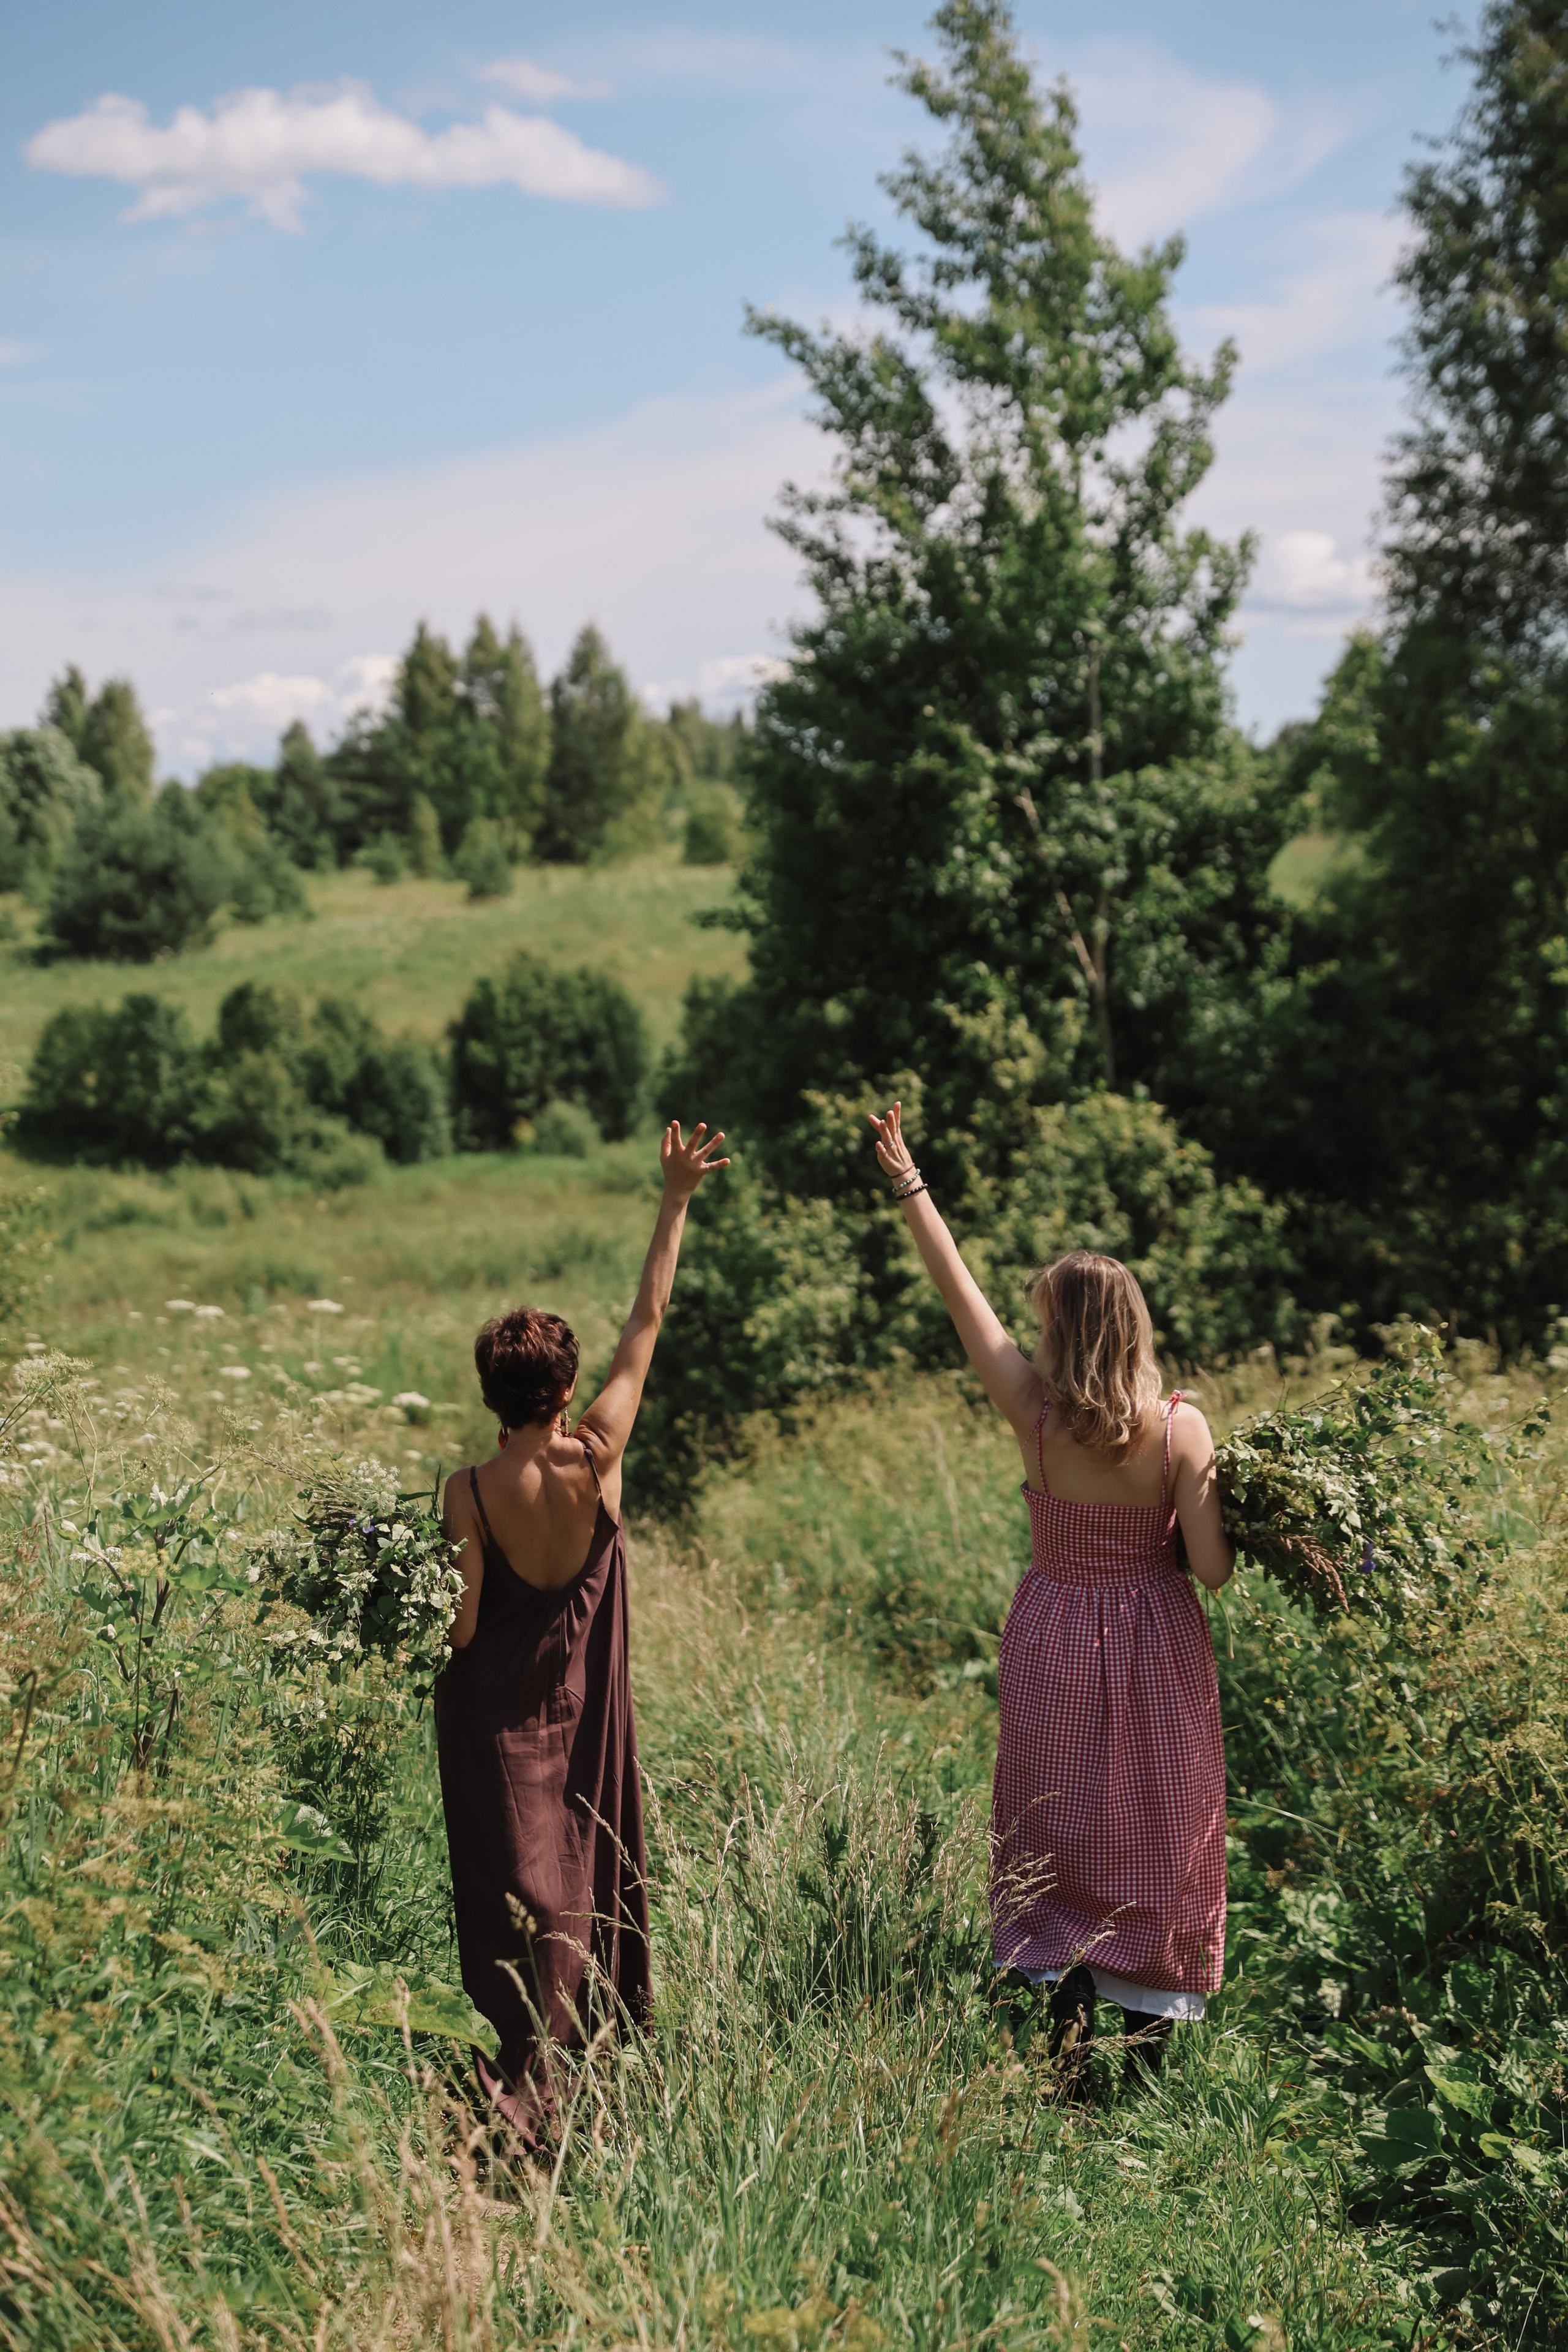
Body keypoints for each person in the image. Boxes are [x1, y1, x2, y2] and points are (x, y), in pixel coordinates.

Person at [868, 1101, 1232, 2090]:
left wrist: (913, 1187)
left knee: (1057, 1816)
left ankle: (1065, 2038)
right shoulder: (1178, 1431)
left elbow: (961, 1299)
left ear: (1062, 1336)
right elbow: (1211, 1570)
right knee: (1161, 1818)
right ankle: (1146, 2050)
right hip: (1153, 1633)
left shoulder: (1034, 1414)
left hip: (1055, 1628)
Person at [435, 1118, 728, 2143]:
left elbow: (465, 1626)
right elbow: (648, 1316)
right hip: (584, 1704)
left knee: (516, 1887)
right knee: (583, 1869)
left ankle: (525, 2077)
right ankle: (587, 2066)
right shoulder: (600, 1455)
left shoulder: (466, 1492)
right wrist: (675, 1195)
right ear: (563, 1389)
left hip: (495, 1717)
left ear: (490, 1395)